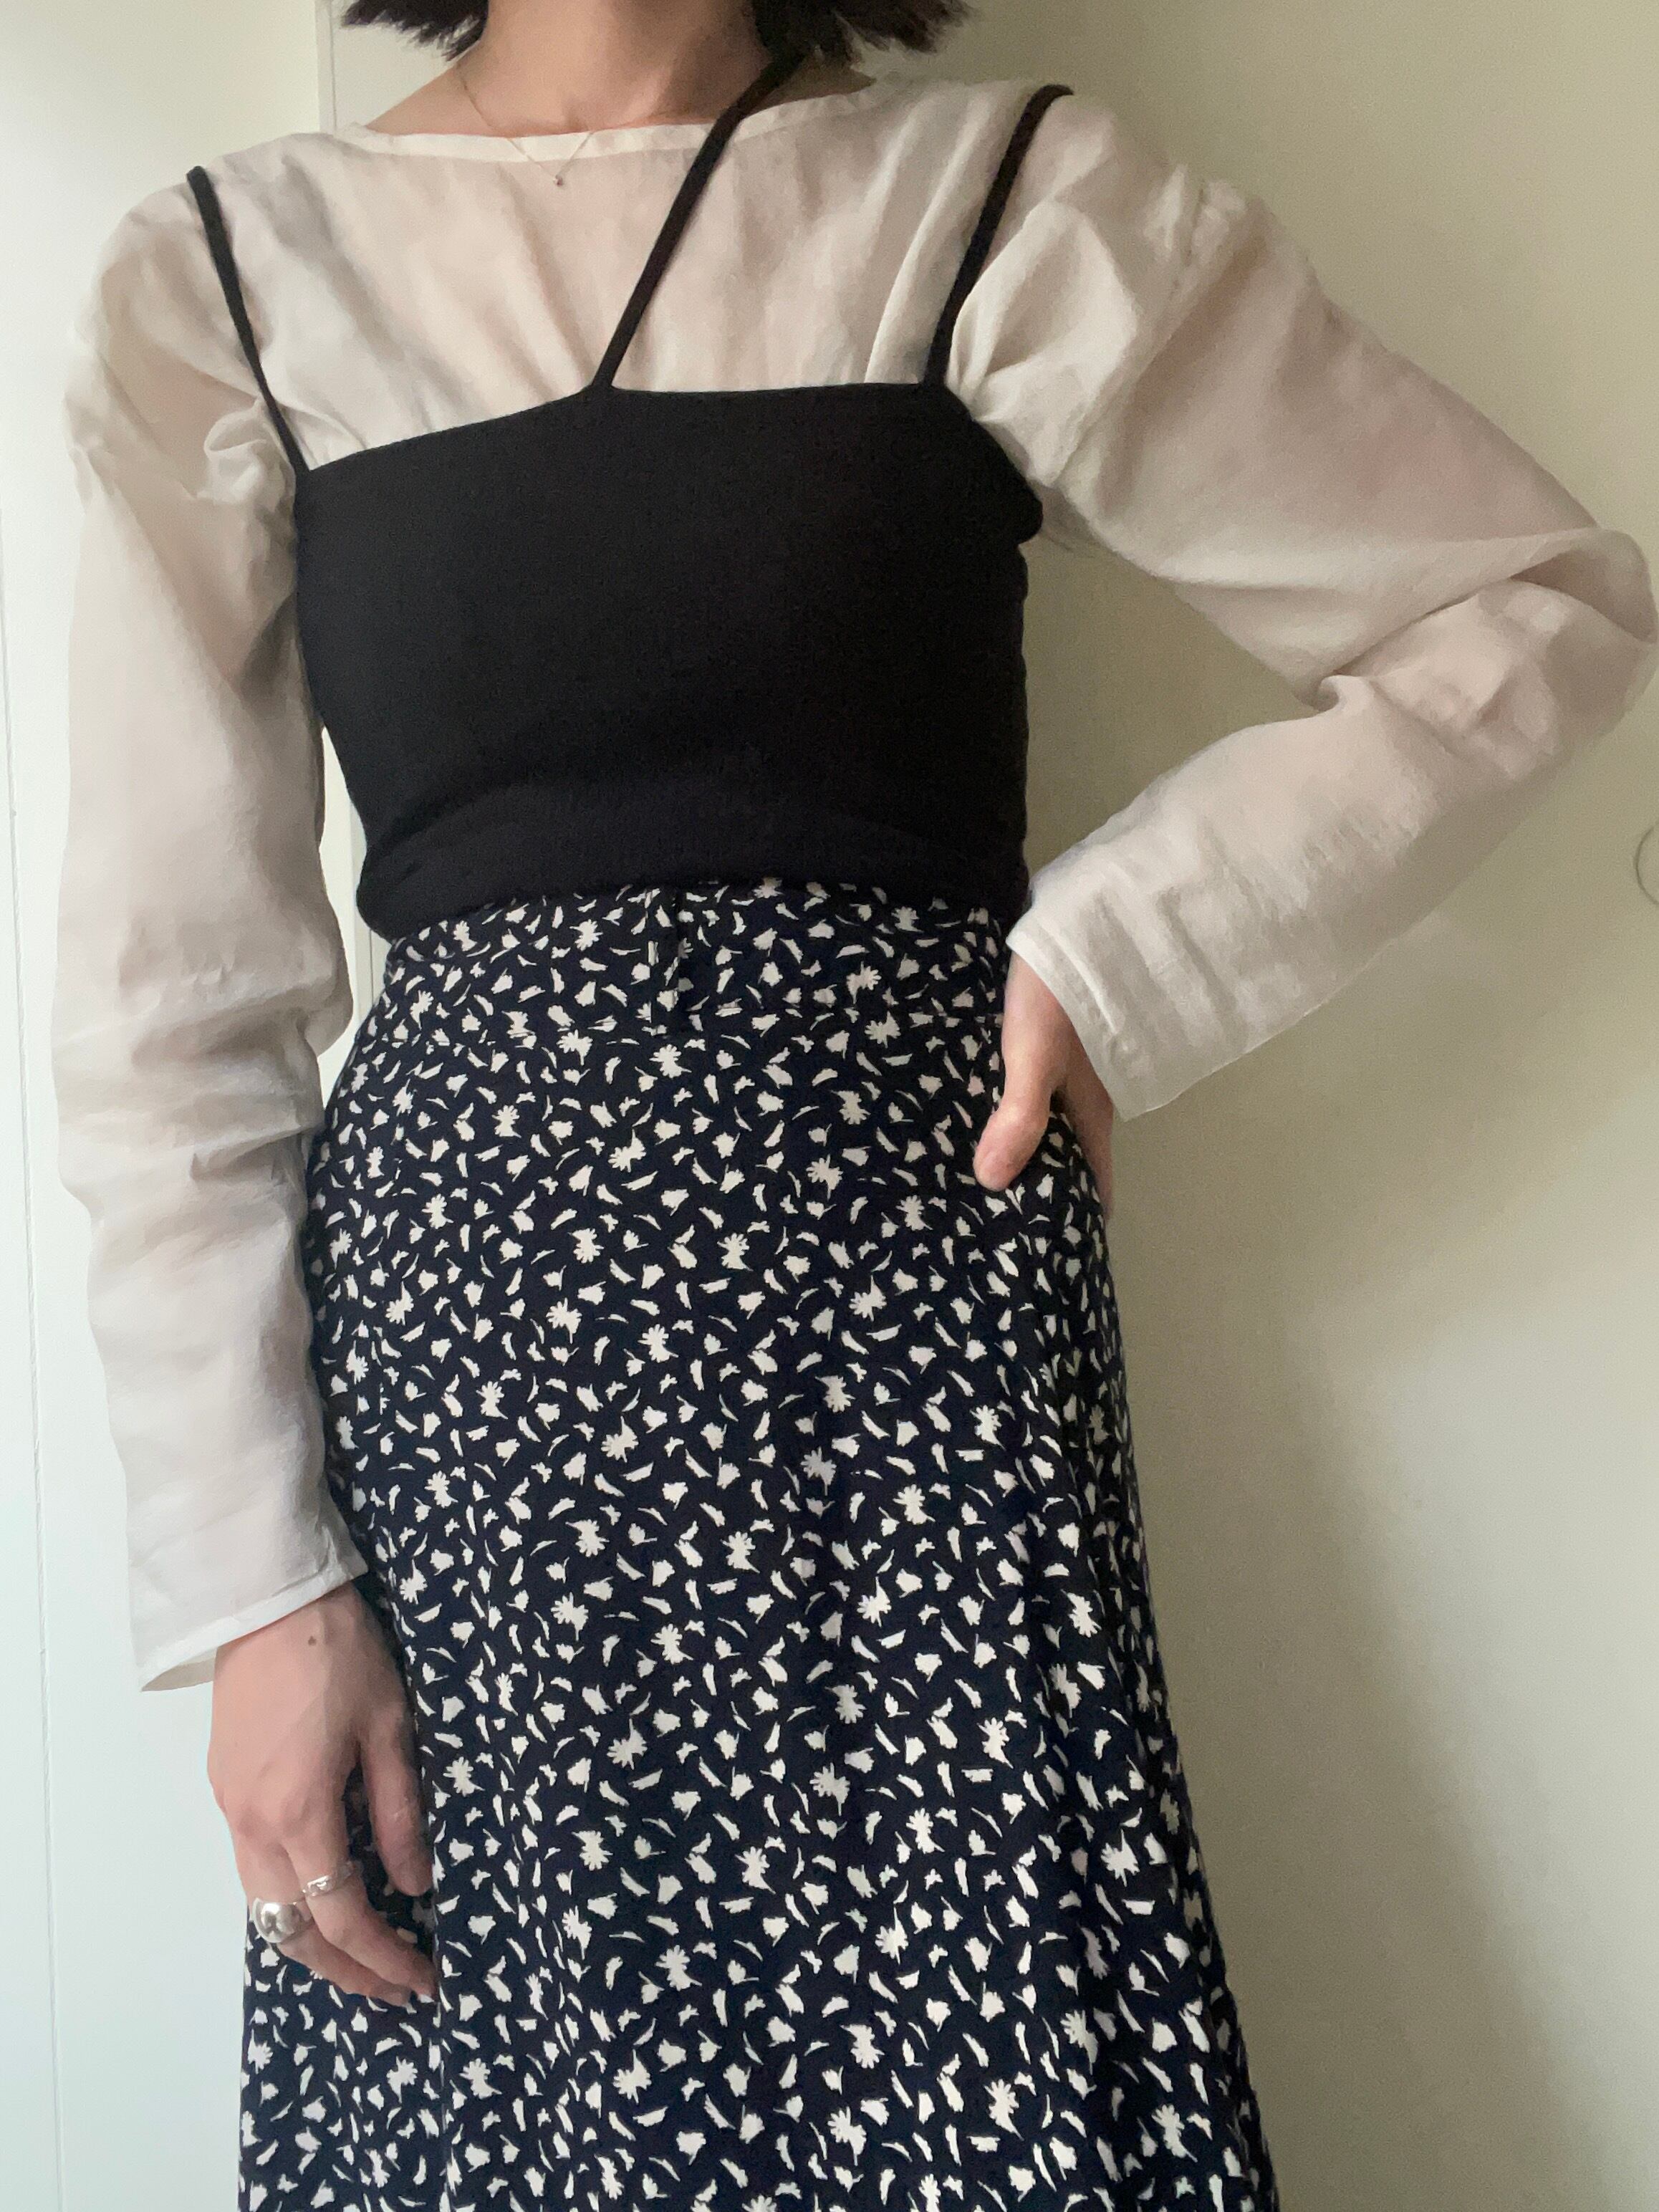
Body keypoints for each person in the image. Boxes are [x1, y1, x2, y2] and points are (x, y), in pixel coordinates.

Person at [51, 1, 1655, 2206]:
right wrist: (256, 1589)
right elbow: (174, 1001)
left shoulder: (997, 205)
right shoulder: (231, 277)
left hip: (914, 1343)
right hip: (475, 1406)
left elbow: (1526, 612)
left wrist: (1127, 951)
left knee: (980, 2036)